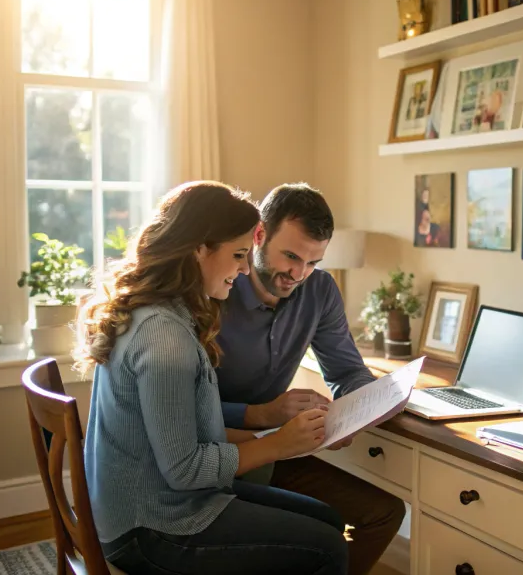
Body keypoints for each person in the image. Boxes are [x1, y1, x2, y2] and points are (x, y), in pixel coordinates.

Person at [76, 181, 348, 575]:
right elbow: (185, 469)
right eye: (239, 254)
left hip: (149, 502)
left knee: (328, 521)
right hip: (152, 523)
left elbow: (187, 436)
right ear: (199, 249)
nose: (243, 268)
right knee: (327, 548)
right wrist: (277, 444)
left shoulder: (156, 311)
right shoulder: (165, 337)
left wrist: (276, 437)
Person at [216, 182, 407, 575]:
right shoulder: (216, 288)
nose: (298, 274)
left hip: (276, 446)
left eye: (313, 262)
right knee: (318, 536)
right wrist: (261, 413)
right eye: (290, 256)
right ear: (259, 235)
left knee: (384, 513)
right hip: (214, 451)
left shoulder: (319, 290)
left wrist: (360, 407)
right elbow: (179, 410)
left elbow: (347, 370)